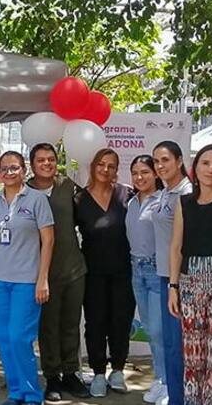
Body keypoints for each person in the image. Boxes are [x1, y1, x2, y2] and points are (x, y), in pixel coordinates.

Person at [167, 143, 212, 405]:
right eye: (205, 163)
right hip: (189, 287)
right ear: (195, 168)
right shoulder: (184, 203)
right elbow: (176, 247)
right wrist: (173, 287)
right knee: (193, 356)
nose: (211, 169)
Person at [0, 151, 54, 405]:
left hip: (26, 281)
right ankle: (15, 393)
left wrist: (42, 279)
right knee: (4, 340)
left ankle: (32, 394)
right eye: (4, 168)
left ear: (24, 170)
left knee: (19, 338)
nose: (9, 172)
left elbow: (48, 241)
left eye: (14, 167)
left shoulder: (37, 199)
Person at [26, 143, 89, 402]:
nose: (47, 164)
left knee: (71, 324)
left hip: (73, 268)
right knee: (48, 327)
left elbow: (87, 216)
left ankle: (71, 373)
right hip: (42, 273)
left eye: (51, 159)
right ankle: (52, 375)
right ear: (32, 164)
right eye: (41, 160)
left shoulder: (68, 187)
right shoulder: (25, 191)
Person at [73, 148, 135, 397]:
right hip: (93, 272)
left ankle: (117, 370)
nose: (105, 169)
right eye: (101, 164)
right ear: (93, 166)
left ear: (116, 170)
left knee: (121, 321)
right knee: (96, 322)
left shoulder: (126, 194)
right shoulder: (79, 200)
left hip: (123, 271)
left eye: (111, 165)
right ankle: (98, 372)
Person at [151, 140, 192, 405]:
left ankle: (183, 398)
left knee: (179, 345)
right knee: (169, 345)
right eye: (156, 161)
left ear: (179, 161)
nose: (160, 165)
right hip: (164, 275)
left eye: (165, 159)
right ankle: (175, 395)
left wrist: (176, 283)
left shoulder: (187, 194)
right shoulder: (166, 191)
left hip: (181, 279)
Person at [124, 155, 166, 403]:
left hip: (156, 269)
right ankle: (160, 378)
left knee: (160, 331)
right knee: (150, 329)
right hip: (136, 269)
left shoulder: (163, 201)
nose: (139, 177)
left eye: (145, 172)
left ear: (156, 174)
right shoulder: (131, 202)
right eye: (135, 173)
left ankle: (167, 382)